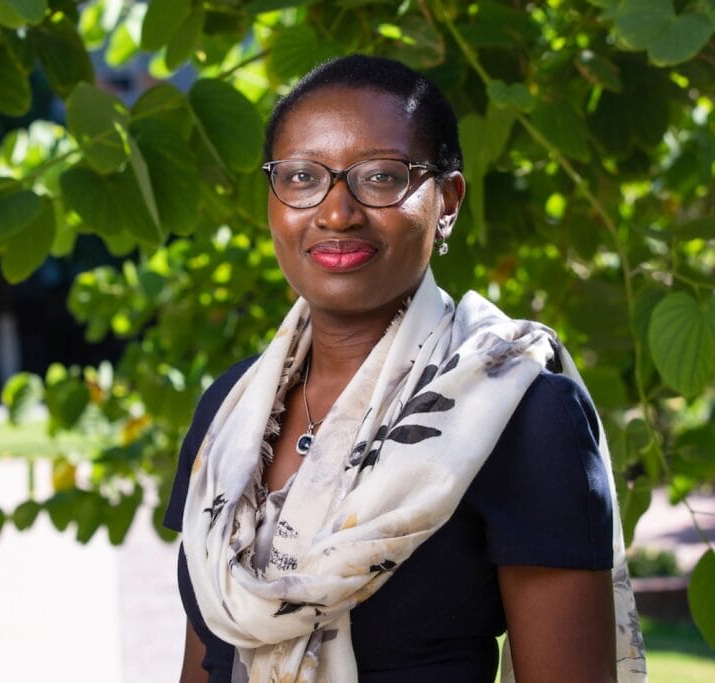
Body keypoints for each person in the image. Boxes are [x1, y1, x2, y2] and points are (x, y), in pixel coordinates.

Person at [164, 56, 645, 683]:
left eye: (382, 177)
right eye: (303, 176)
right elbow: (204, 664)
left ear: (447, 200)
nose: (336, 213)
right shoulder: (229, 410)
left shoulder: (521, 415)